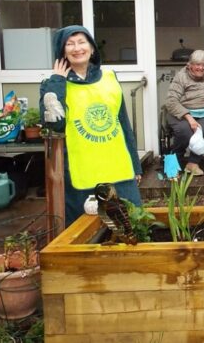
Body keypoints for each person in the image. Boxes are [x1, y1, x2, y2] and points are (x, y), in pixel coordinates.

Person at [40, 25, 142, 226]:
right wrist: (58, 82)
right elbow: (55, 126)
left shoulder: (110, 79)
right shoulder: (51, 84)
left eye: (81, 42)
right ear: (62, 52)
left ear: (92, 48)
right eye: (70, 44)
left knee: (131, 228)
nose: (77, 48)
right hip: (81, 175)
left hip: (119, 171)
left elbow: (123, 124)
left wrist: (135, 165)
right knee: (86, 236)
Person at [165, 49, 204, 176]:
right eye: (197, 64)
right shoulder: (181, 77)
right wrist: (189, 118)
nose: (200, 68)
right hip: (183, 113)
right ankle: (173, 162)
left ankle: (193, 163)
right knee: (185, 131)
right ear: (190, 65)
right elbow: (171, 101)